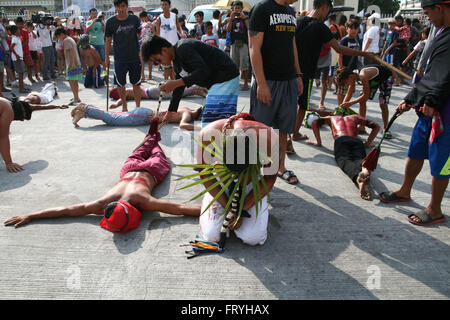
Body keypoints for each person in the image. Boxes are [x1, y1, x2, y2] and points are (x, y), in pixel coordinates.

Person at [4, 130, 201, 229]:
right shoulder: (104, 203)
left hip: (151, 171)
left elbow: (180, 209)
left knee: (155, 148)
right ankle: (152, 135)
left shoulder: (142, 202)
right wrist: (31, 215)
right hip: (131, 169)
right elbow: (67, 210)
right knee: (151, 143)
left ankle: (153, 136)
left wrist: (32, 215)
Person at [379, 0, 450, 227]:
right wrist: (410, 99)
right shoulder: (440, 32)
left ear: (440, 8)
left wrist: (432, 99)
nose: (426, 18)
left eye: (428, 12)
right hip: (427, 106)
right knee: (416, 149)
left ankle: (435, 208)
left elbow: (446, 74)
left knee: (441, 159)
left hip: (445, 110)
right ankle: (405, 190)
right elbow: (430, 72)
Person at [292, 0, 374, 144]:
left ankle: (288, 134)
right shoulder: (321, 27)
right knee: (303, 105)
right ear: (324, 7)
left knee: (290, 104)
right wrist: (364, 54)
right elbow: (339, 49)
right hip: (307, 73)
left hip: (291, 70)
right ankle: (295, 133)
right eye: (328, 11)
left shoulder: (297, 21)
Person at [196, 116, 277, 246]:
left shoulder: (268, 139)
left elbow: (270, 179)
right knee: (212, 236)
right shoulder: (208, 135)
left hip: (252, 183)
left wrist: (241, 210)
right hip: (220, 182)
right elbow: (205, 176)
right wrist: (229, 208)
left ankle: (255, 206)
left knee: (253, 237)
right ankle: (213, 200)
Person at [248, 0, 303, 185]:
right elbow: (253, 47)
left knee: (284, 128)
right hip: (268, 80)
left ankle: (280, 167)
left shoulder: (290, 11)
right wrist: (261, 83)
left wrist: (298, 74)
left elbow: (292, 44)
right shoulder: (262, 9)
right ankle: (259, 169)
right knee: (260, 129)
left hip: (289, 80)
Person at [141, 35, 239, 128]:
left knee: (209, 125)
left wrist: (176, 83)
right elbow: (179, 88)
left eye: (158, 60)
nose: (159, 64)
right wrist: (171, 111)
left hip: (225, 78)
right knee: (219, 122)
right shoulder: (177, 62)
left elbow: (202, 71)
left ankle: (221, 143)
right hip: (220, 82)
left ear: (164, 50)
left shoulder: (183, 49)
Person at [306, 109, 380, 200]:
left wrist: (318, 142)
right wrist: (368, 143)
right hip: (356, 140)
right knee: (359, 158)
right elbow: (376, 126)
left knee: (345, 161)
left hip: (341, 140)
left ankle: (358, 178)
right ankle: (364, 169)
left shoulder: (331, 118)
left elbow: (314, 122)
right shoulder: (354, 117)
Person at [0, 96, 67, 173]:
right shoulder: (8, 109)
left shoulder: (6, 102)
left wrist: (56, 106)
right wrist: (9, 163)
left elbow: (34, 107)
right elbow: (3, 137)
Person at [105, 0, 143, 112]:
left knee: (136, 83)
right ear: (115, 7)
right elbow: (108, 40)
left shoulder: (134, 19)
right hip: (119, 58)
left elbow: (140, 35)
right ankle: (124, 107)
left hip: (134, 57)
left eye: (123, 6)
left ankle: (138, 107)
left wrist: (141, 51)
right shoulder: (110, 22)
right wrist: (106, 57)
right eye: (118, 6)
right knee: (120, 84)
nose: (121, 9)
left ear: (127, 6)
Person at [336, 65, 393, 138]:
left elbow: (365, 96)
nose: (347, 84)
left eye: (346, 82)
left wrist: (350, 103)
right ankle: (361, 126)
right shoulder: (353, 75)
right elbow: (349, 93)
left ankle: (386, 128)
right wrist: (343, 107)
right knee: (362, 102)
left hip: (385, 78)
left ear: (350, 77)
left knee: (383, 104)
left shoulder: (363, 76)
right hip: (372, 81)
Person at [71, 103, 201, 131]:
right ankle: (85, 108)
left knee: (113, 116)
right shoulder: (188, 114)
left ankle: (83, 113)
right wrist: (200, 129)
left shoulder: (186, 108)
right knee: (112, 119)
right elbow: (183, 125)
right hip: (144, 116)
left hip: (145, 113)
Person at [108, 84, 207, 109]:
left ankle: (197, 88)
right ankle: (197, 91)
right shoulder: (128, 92)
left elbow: (122, 99)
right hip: (152, 92)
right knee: (176, 93)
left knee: (174, 93)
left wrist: (116, 104)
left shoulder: (127, 91)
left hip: (151, 92)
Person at [155, 0, 182, 81]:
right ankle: (166, 83)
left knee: (174, 66)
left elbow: (178, 28)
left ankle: (174, 83)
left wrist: (182, 35)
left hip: (174, 44)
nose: (164, 6)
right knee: (166, 67)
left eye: (166, 4)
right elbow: (158, 33)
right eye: (162, 5)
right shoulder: (159, 18)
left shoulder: (174, 16)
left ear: (169, 6)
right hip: (164, 46)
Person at [55, 27, 82, 105]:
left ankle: (76, 98)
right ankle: (76, 97)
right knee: (75, 81)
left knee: (72, 81)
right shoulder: (70, 39)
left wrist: (72, 64)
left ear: (61, 34)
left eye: (58, 36)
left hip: (71, 64)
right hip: (75, 63)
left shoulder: (66, 40)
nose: (59, 39)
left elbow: (71, 51)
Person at [227, 1, 250, 91]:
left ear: (242, 9)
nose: (237, 10)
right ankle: (235, 84)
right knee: (234, 64)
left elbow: (249, 28)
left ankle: (245, 84)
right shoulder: (231, 19)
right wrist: (231, 19)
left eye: (238, 8)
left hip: (243, 43)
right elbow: (228, 30)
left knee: (244, 63)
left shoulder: (245, 17)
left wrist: (244, 18)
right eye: (235, 8)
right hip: (234, 43)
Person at [337, 20, 361, 106]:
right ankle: (340, 106)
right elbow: (340, 55)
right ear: (347, 29)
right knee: (342, 90)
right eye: (351, 28)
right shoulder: (344, 40)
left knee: (350, 89)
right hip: (345, 68)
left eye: (356, 28)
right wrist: (341, 68)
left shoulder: (356, 40)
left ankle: (345, 105)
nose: (353, 30)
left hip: (353, 69)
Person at [381, 18, 400, 86]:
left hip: (391, 52)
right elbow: (386, 41)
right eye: (389, 23)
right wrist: (383, 50)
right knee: (383, 64)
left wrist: (387, 49)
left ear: (395, 25)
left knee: (390, 66)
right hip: (386, 51)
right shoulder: (388, 32)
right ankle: (384, 78)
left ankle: (397, 79)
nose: (390, 25)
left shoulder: (395, 32)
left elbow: (394, 43)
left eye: (392, 23)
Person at [15, 17, 34, 84]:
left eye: (21, 24)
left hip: (26, 51)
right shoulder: (14, 32)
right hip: (17, 52)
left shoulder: (25, 31)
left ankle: (30, 77)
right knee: (20, 67)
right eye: (19, 24)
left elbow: (26, 40)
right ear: (16, 24)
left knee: (29, 65)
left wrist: (21, 47)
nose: (20, 25)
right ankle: (20, 81)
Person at [9, 25, 28, 93]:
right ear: (15, 31)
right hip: (17, 59)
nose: (19, 31)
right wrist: (16, 55)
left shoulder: (17, 38)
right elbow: (11, 48)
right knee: (20, 73)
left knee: (21, 73)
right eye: (18, 30)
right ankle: (21, 88)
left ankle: (22, 87)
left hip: (19, 57)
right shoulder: (14, 39)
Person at [37, 16, 56, 80]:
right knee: (46, 61)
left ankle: (52, 73)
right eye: (48, 20)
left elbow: (54, 29)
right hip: (45, 45)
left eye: (49, 20)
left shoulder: (48, 26)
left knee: (52, 60)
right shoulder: (41, 26)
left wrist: (52, 25)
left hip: (50, 44)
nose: (49, 21)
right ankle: (45, 75)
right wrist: (48, 28)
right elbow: (44, 35)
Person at [139, 11, 153, 81]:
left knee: (149, 60)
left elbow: (150, 34)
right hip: (142, 43)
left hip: (147, 44)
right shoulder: (141, 24)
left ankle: (149, 75)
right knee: (142, 61)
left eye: (142, 18)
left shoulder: (149, 24)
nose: (141, 19)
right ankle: (143, 76)